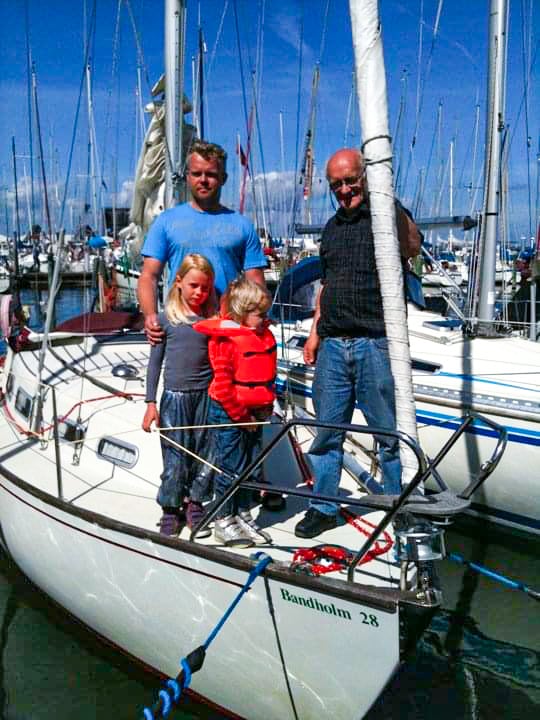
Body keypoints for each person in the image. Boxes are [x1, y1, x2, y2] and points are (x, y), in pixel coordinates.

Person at [294, 148, 421, 539]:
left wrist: (389, 199)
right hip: (333, 344)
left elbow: (412, 246)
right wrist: (315, 332)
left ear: (366, 178)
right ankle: (324, 506)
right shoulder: (331, 229)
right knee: (326, 433)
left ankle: (396, 504)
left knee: (387, 436)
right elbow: (326, 286)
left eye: (352, 181)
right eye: (337, 185)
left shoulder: (386, 217)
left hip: (374, 343)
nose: (345, 190)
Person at [138, 140, 267, 345]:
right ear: (188, 177)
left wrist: (257, 319)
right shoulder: (166, 221)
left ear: (223, 178)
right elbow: (148, 276)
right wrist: (150, 315)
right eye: (197, 174)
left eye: (211, 174)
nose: (204, 180)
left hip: (229, 328)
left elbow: (256, 281)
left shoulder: (242, 225)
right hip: (182, 327)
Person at [194, 277, 276, 547]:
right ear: (241, 312)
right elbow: (225, 388)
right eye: (259, 314)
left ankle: (242, 512)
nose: (264, 319)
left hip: (255, 414)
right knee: (229, 468)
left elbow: (267, 376)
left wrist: (264, 409)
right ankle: (223, 519)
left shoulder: (261, 335)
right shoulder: (226, 341)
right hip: (229, 413)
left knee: (250, 466)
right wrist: (243, 418)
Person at [142, 253, 217, 537]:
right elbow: (154, 364)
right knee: (175, 458)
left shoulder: (212, 321)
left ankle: (195, 503)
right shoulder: (165, 320)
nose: (199, 292)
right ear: (179, 283)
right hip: (175, 397)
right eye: (194, 285)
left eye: (205, 288)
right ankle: (170, 508)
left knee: (205, 454)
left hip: (206, 396)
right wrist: (150, 403)